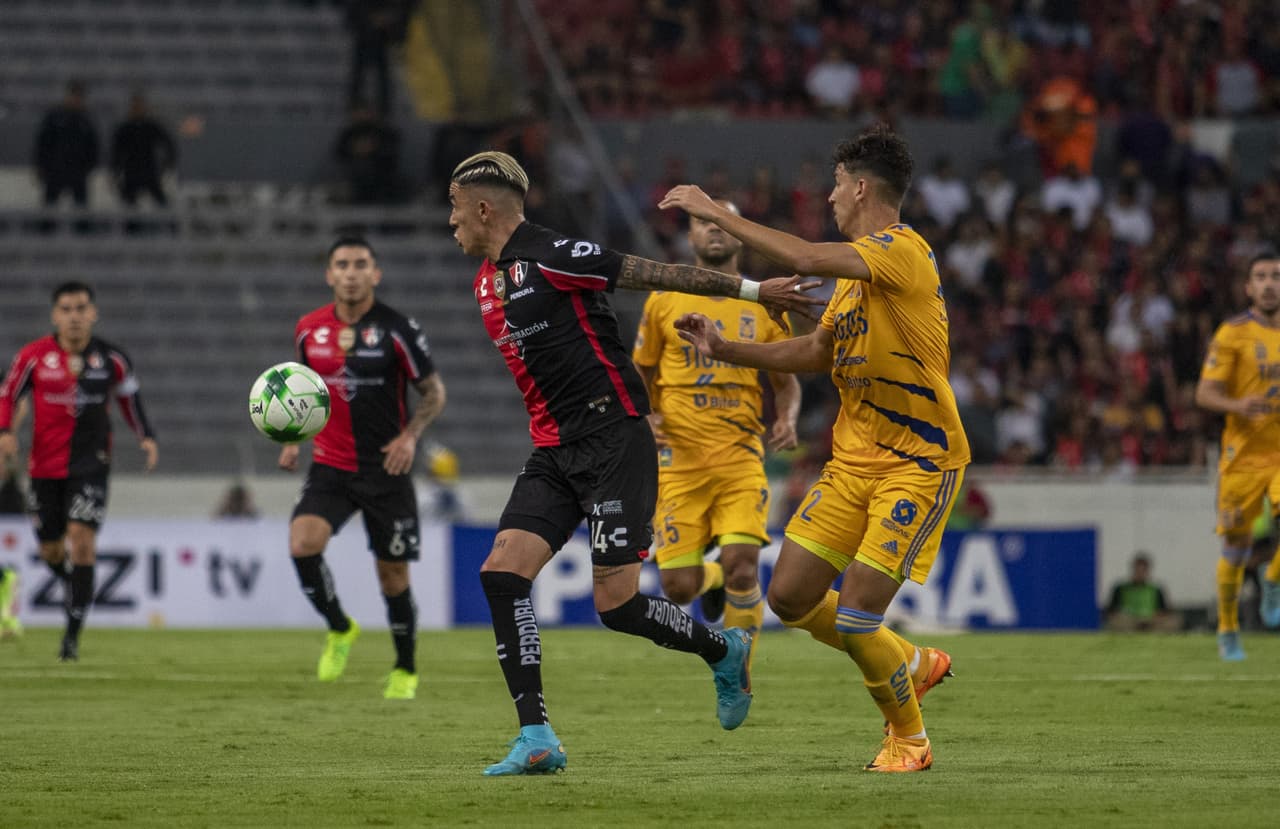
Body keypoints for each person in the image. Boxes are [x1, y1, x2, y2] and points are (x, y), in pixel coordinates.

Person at [447, 150, 822, 776]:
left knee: (617, 606)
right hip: (553, 449)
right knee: (502, 576)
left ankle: (722, 649)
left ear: (484, 208)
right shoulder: (488, 279)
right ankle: (536, 735)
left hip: (616, 440)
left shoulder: (553, 253)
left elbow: (656, 274)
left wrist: (755, 289)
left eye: (455, 209)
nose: (450, 222)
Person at [660, 123, 971, 773]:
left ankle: (909, 739)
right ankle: (912, 661)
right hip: (856, 458)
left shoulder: (901, 252)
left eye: (835, 184)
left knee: (857, 616)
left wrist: (714, 210)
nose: (829, 196)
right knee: (789, 597)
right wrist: (726, 349)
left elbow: (802, 257)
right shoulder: (858, 279)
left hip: (918, 462)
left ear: (860, 187)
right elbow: (812, 350)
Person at [631, 198, 800, 674]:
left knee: (744, 562)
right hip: (677, 457)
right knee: (678, 588)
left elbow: (786, 380)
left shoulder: (763, 304)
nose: (712, 231)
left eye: (720, 222)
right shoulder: (665, 298)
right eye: (701, 222)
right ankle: (711, 581)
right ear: (689, 237)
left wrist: (785, 418)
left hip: (739, 454)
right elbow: (639, 370)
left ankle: (738, 670)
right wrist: (646, 415)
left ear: (739, 233)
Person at [280, 236, 445, 700]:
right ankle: (340, 627)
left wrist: (410, 436)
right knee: (301, 545)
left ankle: (405, 669)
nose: (351, 272)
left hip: (386, 470)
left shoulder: (397, 329)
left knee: (392, 575)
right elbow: (303, 393)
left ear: (376, 273)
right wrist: (292, 439)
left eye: (360, 264)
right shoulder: (308, 330)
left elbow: (433, 392)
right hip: (331, 467)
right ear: (329, 275)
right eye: (342, 265)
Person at [0, 281, 158, 660]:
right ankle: (77, 592)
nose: (74, 316)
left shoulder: (112, 359)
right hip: (44, 468)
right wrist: (5, 430)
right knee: (52, 550)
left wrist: (146, 436)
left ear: (93, 313)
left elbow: (129, 400)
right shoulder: (34, 357)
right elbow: (8, 394)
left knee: (81, 540)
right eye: (67, 309)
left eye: (81, 308)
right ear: (56, 315)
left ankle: (70, 639)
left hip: (91, 465)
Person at [1194, 251, 1280, 660]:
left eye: (1275, 276)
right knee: (1236, 549)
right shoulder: (1233, 333)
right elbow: (1204, 393)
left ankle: (1273, 581)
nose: (1268, 284)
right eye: (1260, 277)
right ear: (1248, 287)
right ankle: (1228, 630)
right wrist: (1238, 405)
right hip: (1242, 458)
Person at [33, 80, 99, 208]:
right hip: (55, 169)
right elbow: (43, 143)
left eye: (79, 96)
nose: (75, 99)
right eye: (73, 95)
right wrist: (41, 165)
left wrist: (89, 167)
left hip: (78, 170)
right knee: (49, 208)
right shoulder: (54, 116)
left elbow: (93, 146)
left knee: (81, 210)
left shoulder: (86, 119)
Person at [110, 93, 177, 207]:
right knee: (130, 208)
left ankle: (169, 224)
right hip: (131, 172)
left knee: (163, 205)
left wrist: (168, 164)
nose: (138, 108)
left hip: (149, 171)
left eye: (140, 105)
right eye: (135, 106)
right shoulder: (125, 128)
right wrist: (115, 171)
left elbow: (168, 144)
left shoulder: (150, 126)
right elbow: (115, 151)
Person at [1105, 552, 1180, 632]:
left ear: (1147, 571)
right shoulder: (1120, 588)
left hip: (1151, 621)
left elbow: (1164, 611)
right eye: (1138, 570)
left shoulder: (1156, 589)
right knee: (1117, 622)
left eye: (1143, 570)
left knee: (1174, 621)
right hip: (1129, 621)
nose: (1140, 573)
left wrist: (1153, 618)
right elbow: (1112, 611)